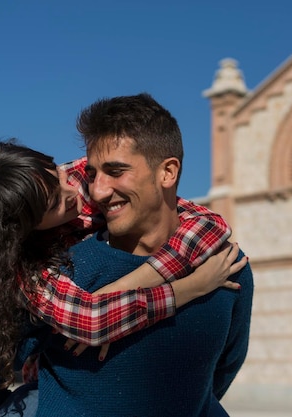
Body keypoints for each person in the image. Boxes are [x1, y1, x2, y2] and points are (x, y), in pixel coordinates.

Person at [0, 140, 246, 417]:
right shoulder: (27, 273)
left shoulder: (79, 178)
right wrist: (189, 287)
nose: (77, 193)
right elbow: (93, 321)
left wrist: (127, 284)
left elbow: (209, 223)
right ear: (21, 231)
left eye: (57, 175)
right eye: (55, 202)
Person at [33, 93, 254, 417]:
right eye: (92, 174)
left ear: (167, 172)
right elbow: (10, 366)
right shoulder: (62, 270)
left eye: (116, 171)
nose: (97, 191)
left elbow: (219, 374)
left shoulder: (226, 268)